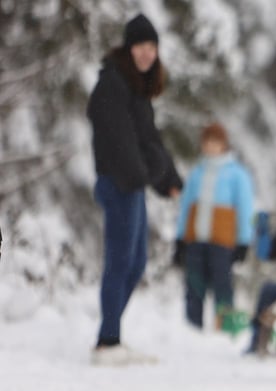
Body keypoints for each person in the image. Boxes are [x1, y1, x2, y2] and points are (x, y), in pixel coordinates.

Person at [87, 13, 182, 365]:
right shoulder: (112, 83)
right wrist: (147, 174)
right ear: (129, 48)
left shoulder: (136, 89)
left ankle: (109, 335)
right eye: (141, 45)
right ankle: (108, 341)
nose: (147, 53)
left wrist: (168, 179)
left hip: (133, 186)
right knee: (119, 263)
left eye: (153, 46)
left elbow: (149, 140)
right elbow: (122, 143)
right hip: (118, 184)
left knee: (136, 262)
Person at [174, 123, 255, 331]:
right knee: (194, 284)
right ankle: (193, 327)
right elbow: (185, 206)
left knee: (222, 285)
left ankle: (225, 327)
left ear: (223, 144)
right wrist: (180, 238)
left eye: (215, 143)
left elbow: (245, 209)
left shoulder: (236, 174)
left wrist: (243, 241)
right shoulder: (197, 173)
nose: (210, 147)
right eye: (207, 142)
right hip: (196, 238)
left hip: (222, 241)